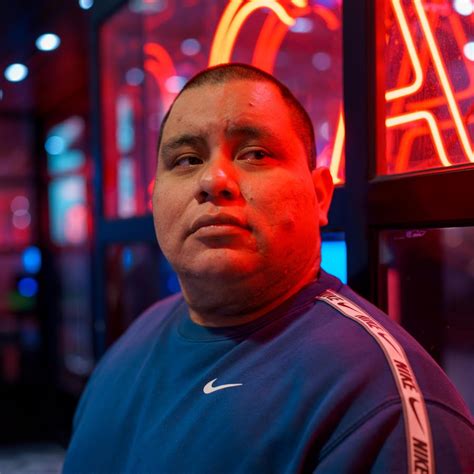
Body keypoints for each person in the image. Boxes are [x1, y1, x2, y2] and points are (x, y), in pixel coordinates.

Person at [63, 64, 473, 473]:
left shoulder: (382, 405)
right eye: (187, 160)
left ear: (319, 196)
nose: (214, 180)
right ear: (154, 200)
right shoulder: (137, 336)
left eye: (254, 154)